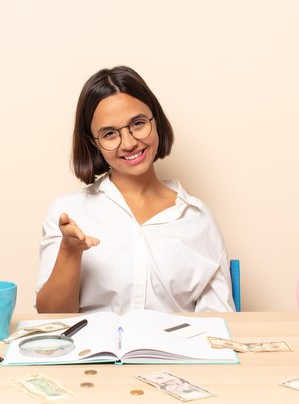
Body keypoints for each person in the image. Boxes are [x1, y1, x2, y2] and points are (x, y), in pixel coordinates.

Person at [36, 66, 234, 314]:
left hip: (176, 352)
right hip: (97, 352)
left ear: (156, 120)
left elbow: (220, 323)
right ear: (93, 143)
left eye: (138, 124)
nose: (129, 143)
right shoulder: (69, 212)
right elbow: (50, 318)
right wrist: (70, 251)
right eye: (109, 134)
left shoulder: (196, 217)